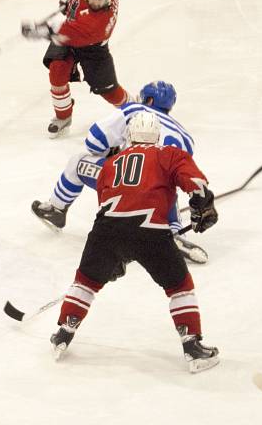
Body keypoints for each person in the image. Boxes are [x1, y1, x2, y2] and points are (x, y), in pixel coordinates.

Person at [49, 111, 220, 373]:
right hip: (151, 232)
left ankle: (63, 332)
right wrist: (202, 205)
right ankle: (193, 348)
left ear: (129, 136)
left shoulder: (111, 163)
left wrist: (116, 255)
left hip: (105, 230)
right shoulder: (169, 154)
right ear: (157, 136)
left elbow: (106, 204)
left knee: (85, 282)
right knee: (179, 287)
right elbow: (195, 183)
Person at [31, 80, 205, 262]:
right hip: (157, 196)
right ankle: (174, 231)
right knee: (166, 185)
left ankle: (56, 209)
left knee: (77, 161)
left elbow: (94, 141)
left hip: (124, 185)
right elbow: (179, 176)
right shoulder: (186, 138)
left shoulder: (136, 110)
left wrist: (112, 152)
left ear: (150, 100)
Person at [21, 0, 132, 138]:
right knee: (57, 70)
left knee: (109, 91)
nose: (93, 1)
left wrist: (40, 31)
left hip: (93, 48)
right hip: (72, 33)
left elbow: (62, 34)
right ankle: (63, 117)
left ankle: (135, 109)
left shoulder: (98, 24)